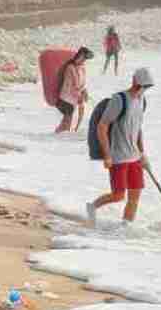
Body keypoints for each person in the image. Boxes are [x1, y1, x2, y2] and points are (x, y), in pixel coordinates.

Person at [85, 67, 154, 227]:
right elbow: (102, 126)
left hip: (135, 156)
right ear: (135, 81)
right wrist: (107, 155)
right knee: (118, 195)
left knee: (135, 196)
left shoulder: (141, 101)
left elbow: (138, 128)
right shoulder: (120, 99)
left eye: (146, 87)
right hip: (118, 156)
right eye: (141, 86)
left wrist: (143, 154)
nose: (142, 89)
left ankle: (125, 228)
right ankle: (92, 207)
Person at [54, 46, 91, 133]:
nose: (84, 60)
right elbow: (76, 84)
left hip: (72, 98)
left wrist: (84, 91)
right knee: (66, 123)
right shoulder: (70, 67)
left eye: (85, 59)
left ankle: (62, 136)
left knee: (67, 123)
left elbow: (82, 83)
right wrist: (82, 93)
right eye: (84, 58)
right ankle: (57, 138)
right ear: (80, 56)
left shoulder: (81, 67)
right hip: (66, 99)